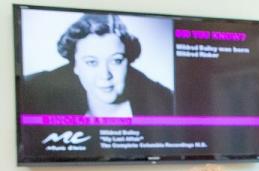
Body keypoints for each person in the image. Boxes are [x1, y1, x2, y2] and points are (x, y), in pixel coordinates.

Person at [21, 13, 174, 117]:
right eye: (91, 62)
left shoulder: (165, 105)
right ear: (75, 66)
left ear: (128, 61)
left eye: (116, 60)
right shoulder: (37, 95)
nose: (105, 74)